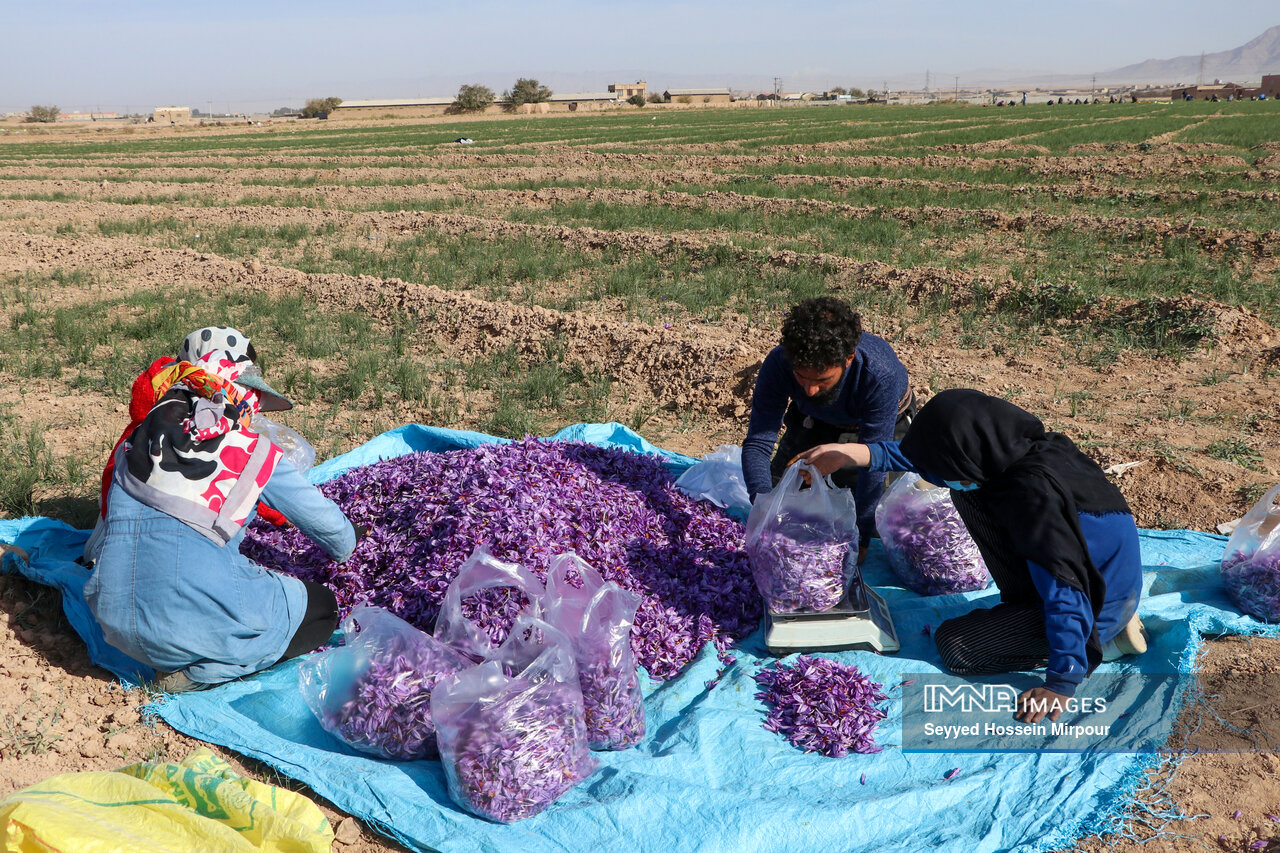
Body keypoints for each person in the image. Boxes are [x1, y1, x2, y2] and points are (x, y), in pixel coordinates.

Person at [795, 389, 1146, 723]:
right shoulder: (1017, 449)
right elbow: (932, 459)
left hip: (1088, 603)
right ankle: (1070, 616)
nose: (933, 473)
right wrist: (855, 454)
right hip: (1100, 577)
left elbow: (1065, 588)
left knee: (956, 645)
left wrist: (1062, 680)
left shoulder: (1035, 505)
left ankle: (1104, 643)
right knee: (968, 491)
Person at [84, 327, 360, 693]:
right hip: (181, 624)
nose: (256, 411)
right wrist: (354, 534)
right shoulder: (249, 447)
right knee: (321, 609)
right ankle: (201, 673)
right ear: (240, 391)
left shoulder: (135, 442)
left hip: (109, 618)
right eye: (255, 400)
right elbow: (338, 539)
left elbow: (99, 538)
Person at [741, 297, 915, 563]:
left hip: (877, 432)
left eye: (822, 380)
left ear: (848, 359)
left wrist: (863, 536)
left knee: (883, 517)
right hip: (815, 419)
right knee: (785, 497)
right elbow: (758, 442)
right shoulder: (779, 363)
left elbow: (874, 459)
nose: (809, 389)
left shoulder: (878, 375)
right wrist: (763, 506)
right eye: (801, 377)